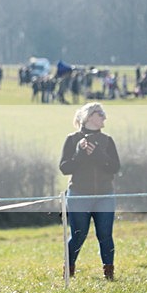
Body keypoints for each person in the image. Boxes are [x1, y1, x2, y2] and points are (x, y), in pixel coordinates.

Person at [59, 102, 121, 280]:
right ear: (89, 117)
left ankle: (109, 274)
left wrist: (99, 154)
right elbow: (64, 168)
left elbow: (115, 167)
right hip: (79, 195)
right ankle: (68, 271)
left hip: (105, 196)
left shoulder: (107, 140)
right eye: (100, 113)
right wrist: (79, 153)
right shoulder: (72, 139)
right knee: (78, 235)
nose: (104, 117)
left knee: (105, 235)